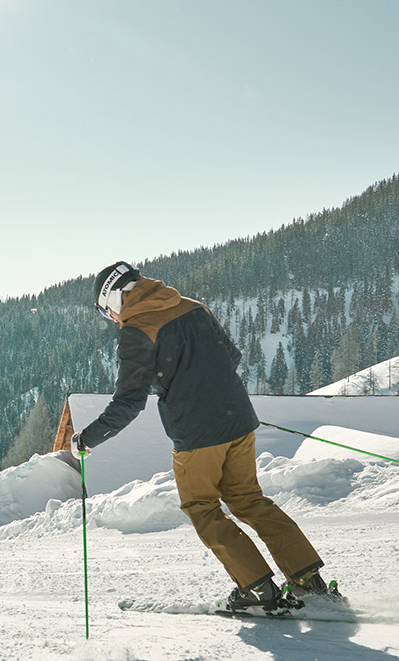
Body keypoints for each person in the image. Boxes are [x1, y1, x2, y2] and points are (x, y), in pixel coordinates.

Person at [75, 260, 341, 612]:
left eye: (107, 311)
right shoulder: (193, 306)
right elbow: (231, 356)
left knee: (202, 507)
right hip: (239, 421)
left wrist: (88, 439)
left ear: (115, 296)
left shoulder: (138, 329)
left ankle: (257, 590)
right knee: (249, 500)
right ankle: (309, 581)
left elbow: (129, 401)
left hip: (198, 434)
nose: (112, 318)